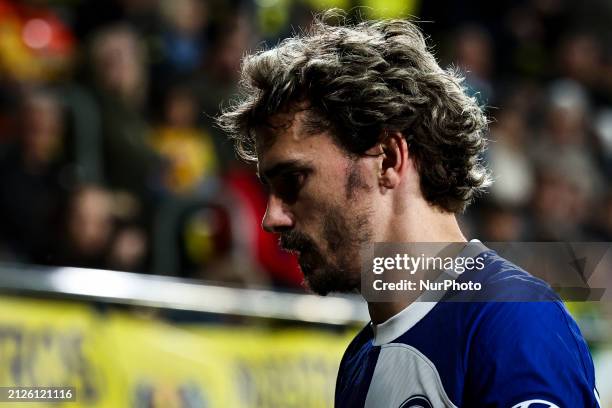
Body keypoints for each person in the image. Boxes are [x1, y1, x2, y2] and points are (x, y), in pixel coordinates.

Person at [218, 13, 601, 408]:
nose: (271, 218)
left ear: (387, 159)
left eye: (293, 180)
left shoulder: (511, 320)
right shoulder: (360, 357)